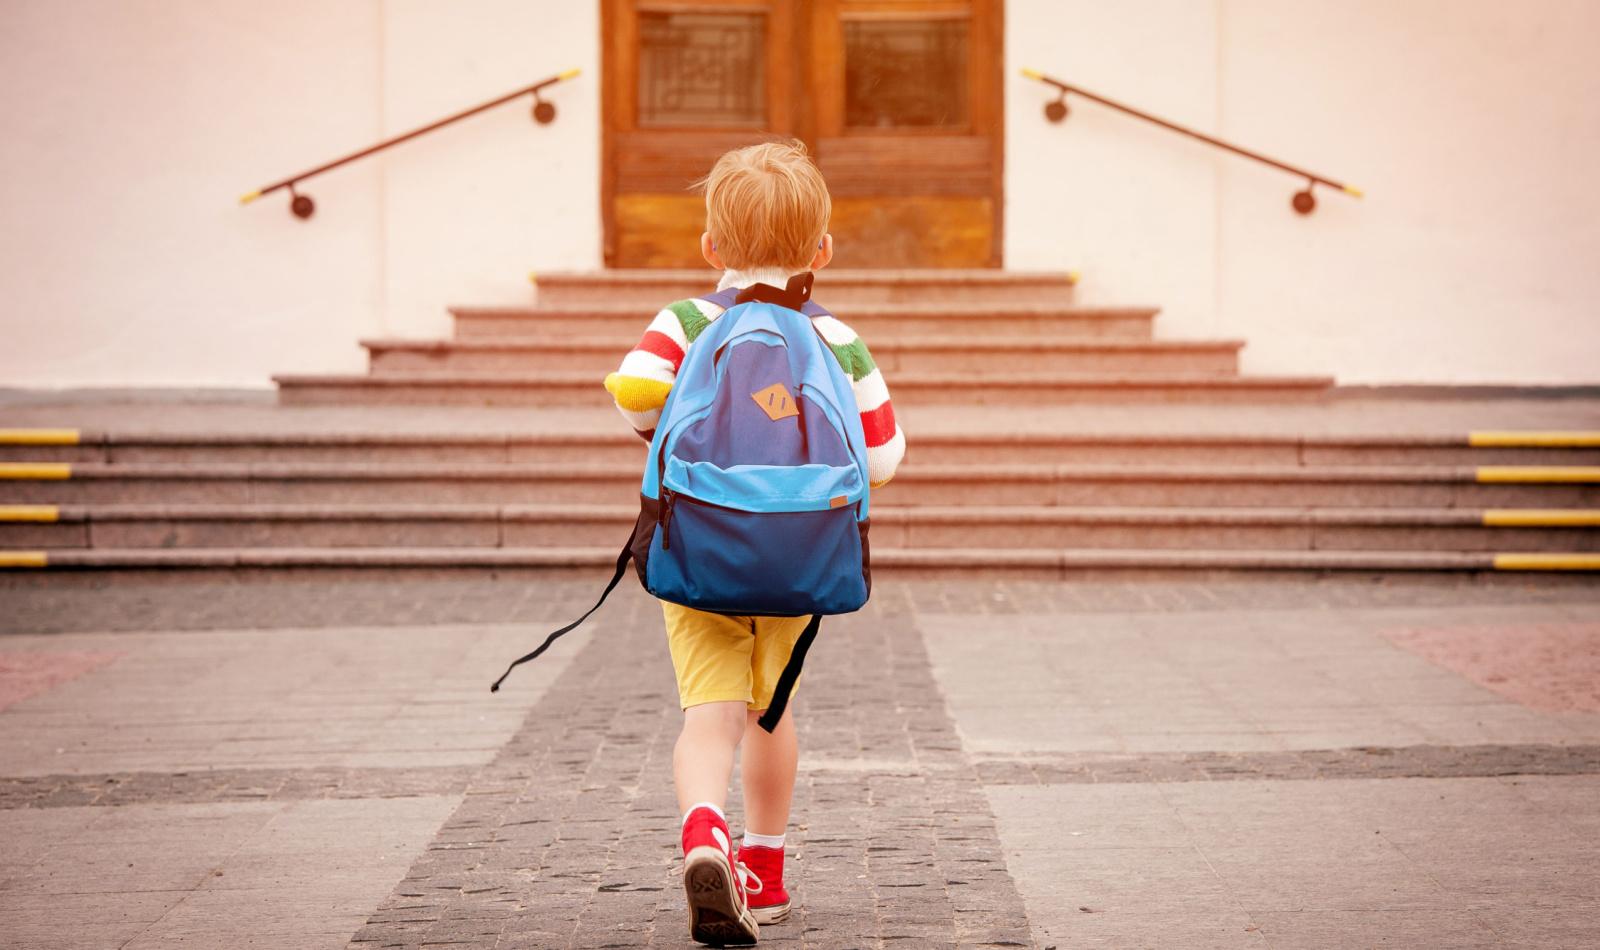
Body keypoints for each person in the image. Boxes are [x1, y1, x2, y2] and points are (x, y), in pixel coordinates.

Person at [603, 140, 906, 944]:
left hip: (699, 549)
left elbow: (635, 390)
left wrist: (668, 435)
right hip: (798, 557)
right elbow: (882, 455)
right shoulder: (835, 336)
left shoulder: (687, 320)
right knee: (770, 713)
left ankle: (704, 831)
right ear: (822, 250)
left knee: (709, 715)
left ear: (710, 248)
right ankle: (763, 871)